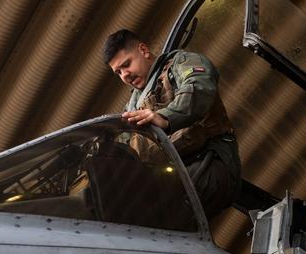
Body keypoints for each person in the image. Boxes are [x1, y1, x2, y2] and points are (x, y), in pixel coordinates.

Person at [102, 29, 241, 219]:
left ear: (143, 50)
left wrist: (166, 117)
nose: (124, 75)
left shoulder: (179, 63)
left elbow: (199, 84)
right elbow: (124, 144)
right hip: (176, 174)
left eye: (126, 65)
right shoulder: (133, 104)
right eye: (118, 72)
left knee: (151, 214)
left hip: (210, 162)